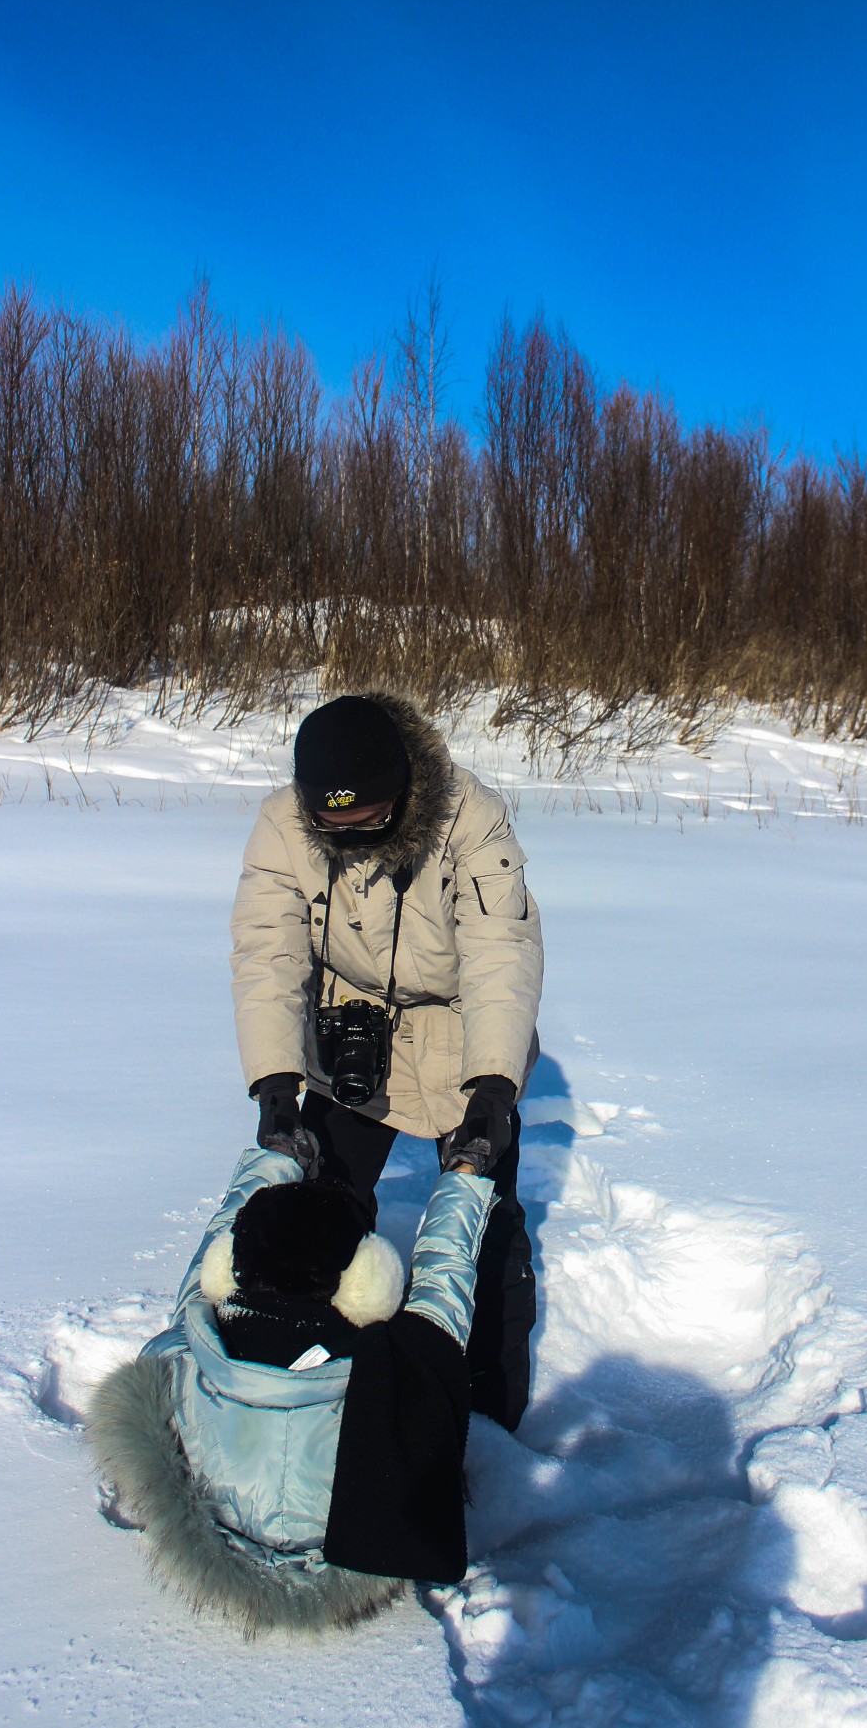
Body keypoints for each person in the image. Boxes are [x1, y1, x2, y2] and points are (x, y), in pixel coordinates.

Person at [230, 692, 544, 1432]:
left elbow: (501, 953)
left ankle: (490, 1420)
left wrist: (494, 1089)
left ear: (401, 792)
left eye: (366, 821)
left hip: (461, 1029)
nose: (348, 838)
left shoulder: (470, 818)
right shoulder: (280, 824)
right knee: (313, 1220)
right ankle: (319, 1392)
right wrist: (275, 1083)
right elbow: (268, 955)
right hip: (350, 1036)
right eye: (329, 825)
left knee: (486, 1226)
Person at [87, 1144, 495, 1635]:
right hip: (355, 1569)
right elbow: (441, 1289)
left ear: (230, 1269)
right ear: (365, 1277)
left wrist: (275, 1154)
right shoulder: (389, 1375)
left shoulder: (186, 1352)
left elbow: (202, 1279)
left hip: (213, 1558)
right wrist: (464, 1173)